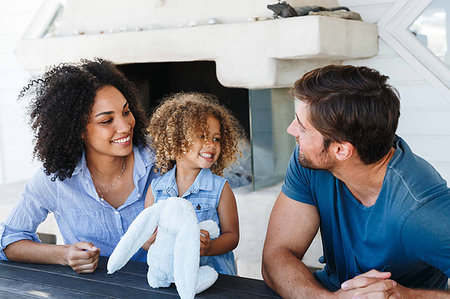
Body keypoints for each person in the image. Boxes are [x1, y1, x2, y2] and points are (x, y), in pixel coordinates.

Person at [262, 65, 450, 298]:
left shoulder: (423, 209)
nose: (291, 130)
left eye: (302, 126)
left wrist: (407, 296)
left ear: (341, 150)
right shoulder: (310, 160)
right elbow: (277, 255)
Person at [0, 58, 159, 274]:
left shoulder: (162, 156)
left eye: (126, 111)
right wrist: (64, 254)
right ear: (78, 130)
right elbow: (9, 240)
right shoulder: (56, 178)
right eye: (106, 121)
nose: (125, 126)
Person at [145, 92, 242, 275]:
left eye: (216, 138)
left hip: (215, 279)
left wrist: (210, 247)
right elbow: (144, 236)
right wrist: (149, 242)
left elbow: (232, 236)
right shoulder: (156, 189)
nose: (211, 144)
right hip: (171, 278)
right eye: (202, 136)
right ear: (176, 140)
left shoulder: (220, 188)